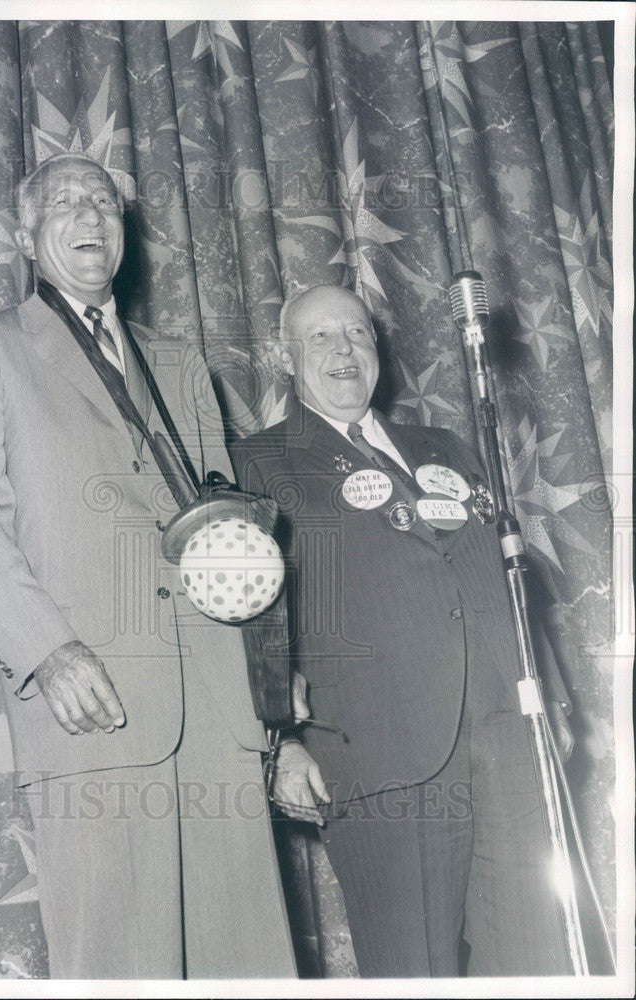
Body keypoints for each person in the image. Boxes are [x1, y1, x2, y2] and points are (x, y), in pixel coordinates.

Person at [0, 153, 296, 979]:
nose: (90, 216)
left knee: (246, 963)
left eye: (104, 203)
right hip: (94, 702)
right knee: (119, 962)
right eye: (65, 203)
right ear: (26, 234)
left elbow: (225, 532)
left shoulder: (180, 362)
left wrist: (272, 703)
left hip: (217, 708)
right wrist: (47, 651)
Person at [230, 283, 575, 977]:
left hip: (507, 735)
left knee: (534, 955)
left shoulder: (442, 445)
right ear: (287, 361)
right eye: (320, 337)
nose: (342, 349)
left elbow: (501, 569)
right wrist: (281, 740)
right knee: (410, 967)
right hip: (378, 753)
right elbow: (252, 618)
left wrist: (553, 700)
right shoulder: (257, 463)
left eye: (356, 333)